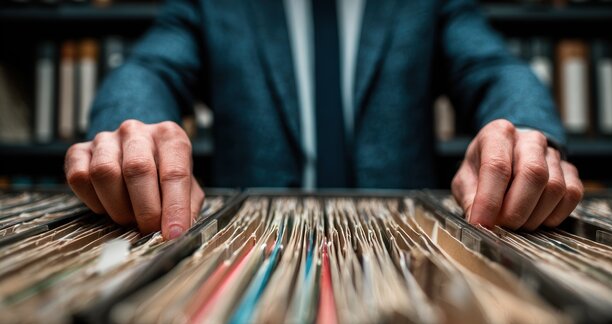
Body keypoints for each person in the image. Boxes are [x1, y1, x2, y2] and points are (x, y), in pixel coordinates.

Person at [64, 0, 583, 240]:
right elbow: (149, 69)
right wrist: (136, 130)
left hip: (408, 254)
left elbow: (493, 69)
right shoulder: (215, 6)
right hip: (246, 251)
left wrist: (519, 136)